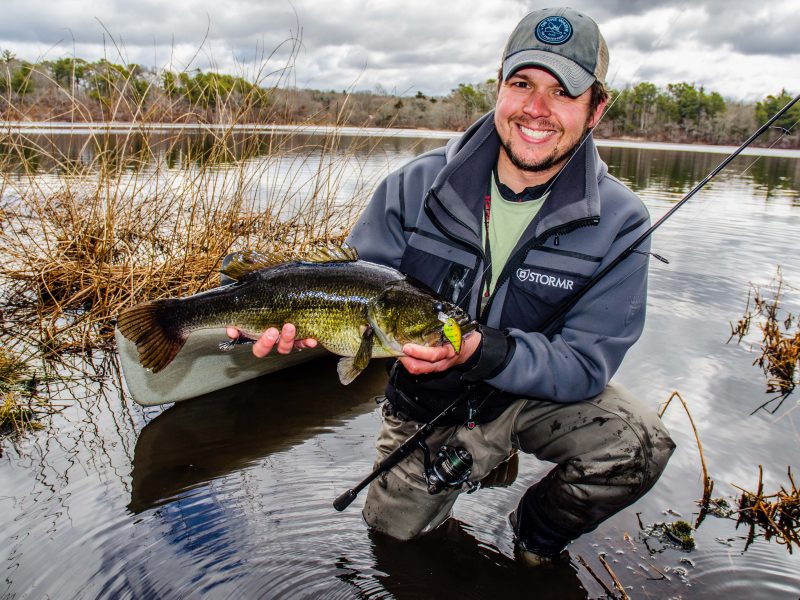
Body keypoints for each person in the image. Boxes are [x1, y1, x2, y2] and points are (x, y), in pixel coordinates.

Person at [229, 7, 675, 566]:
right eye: (522, 84)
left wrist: (482, 350)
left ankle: (534, 538)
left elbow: (586, 364)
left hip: (532, 398)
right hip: (426, 409)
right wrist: (278, 330)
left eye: (562, 92)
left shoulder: (622, 221)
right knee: (394, 550)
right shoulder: (416, 185)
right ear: (499, 89)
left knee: (639, 445)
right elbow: (346, 298)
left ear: (595, 110)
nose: (536, 110)